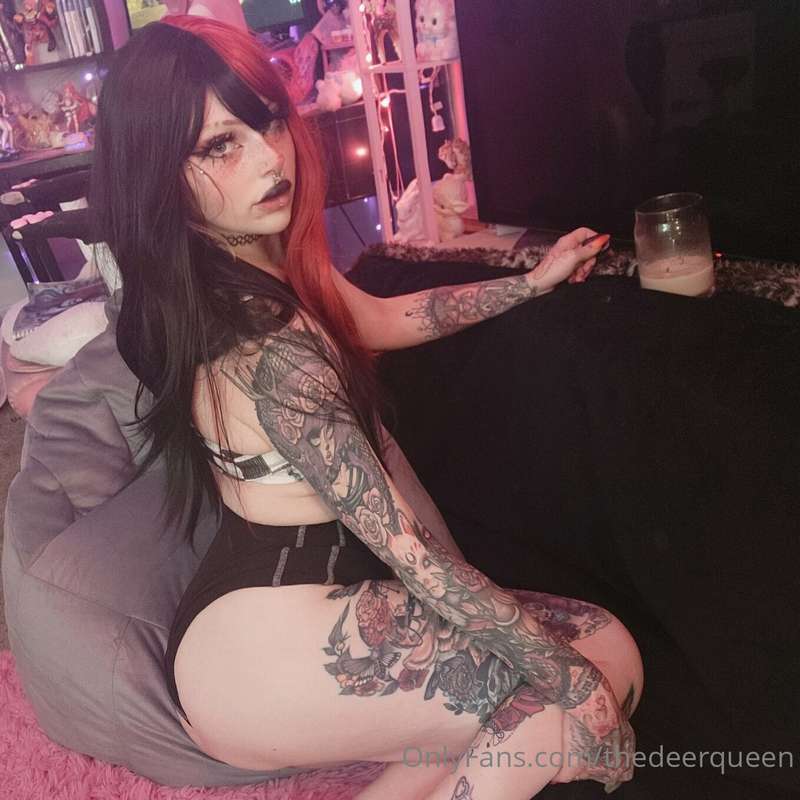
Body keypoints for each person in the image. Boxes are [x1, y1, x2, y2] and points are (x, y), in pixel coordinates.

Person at [89, 16, 643, 799]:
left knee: (610, 646)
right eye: (219, 146)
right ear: (159, 172)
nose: (270, 158)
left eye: (267, 122)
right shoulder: (268, 344)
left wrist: (529, 283)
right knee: (563, 702)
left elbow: (382, 318)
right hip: (259, 656)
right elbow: (412, 553)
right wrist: (572, 684)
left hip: (283, 614)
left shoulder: (252, 263)